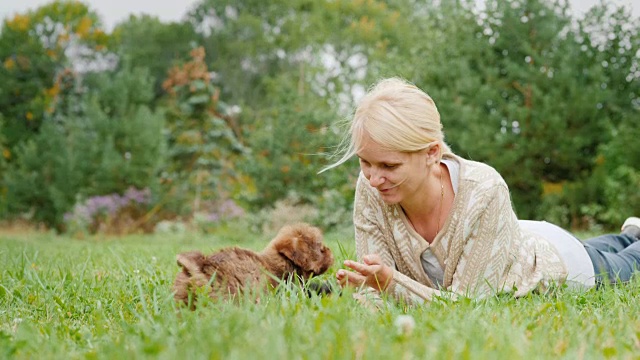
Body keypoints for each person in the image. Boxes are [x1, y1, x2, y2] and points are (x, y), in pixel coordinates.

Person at [322, 77, 640, 305]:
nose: (374, 178)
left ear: (432, 152)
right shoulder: (371, 187)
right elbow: (371, 290)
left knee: (627, 264)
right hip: (516, 235)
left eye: (389, 167)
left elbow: (468, 306)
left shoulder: (484, 190)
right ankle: (630, 232)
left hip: (554, 265)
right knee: (618, 241)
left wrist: (390, 283)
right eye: (366, 163)